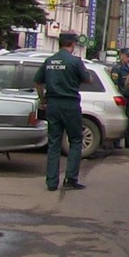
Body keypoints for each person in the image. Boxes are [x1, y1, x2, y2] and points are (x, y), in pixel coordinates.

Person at [34, 33, 91, 191]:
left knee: (54, 143)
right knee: (75, 140)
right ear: (72, 44)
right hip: (70, 104)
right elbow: (88, 79)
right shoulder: (75, 61)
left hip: (53, 104)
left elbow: (38, 81)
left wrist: (42, 99)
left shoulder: (49, 61)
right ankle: (70, 178)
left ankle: (51, 182)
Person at [108, 50, 129, 149]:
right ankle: (116, 142)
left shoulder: (128, 68)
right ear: (121, 56)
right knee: (120, 120)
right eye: (127, 56)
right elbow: (115, 84)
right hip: (121, 98)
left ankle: (128, 142)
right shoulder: (117, 68)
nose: (128, 58)